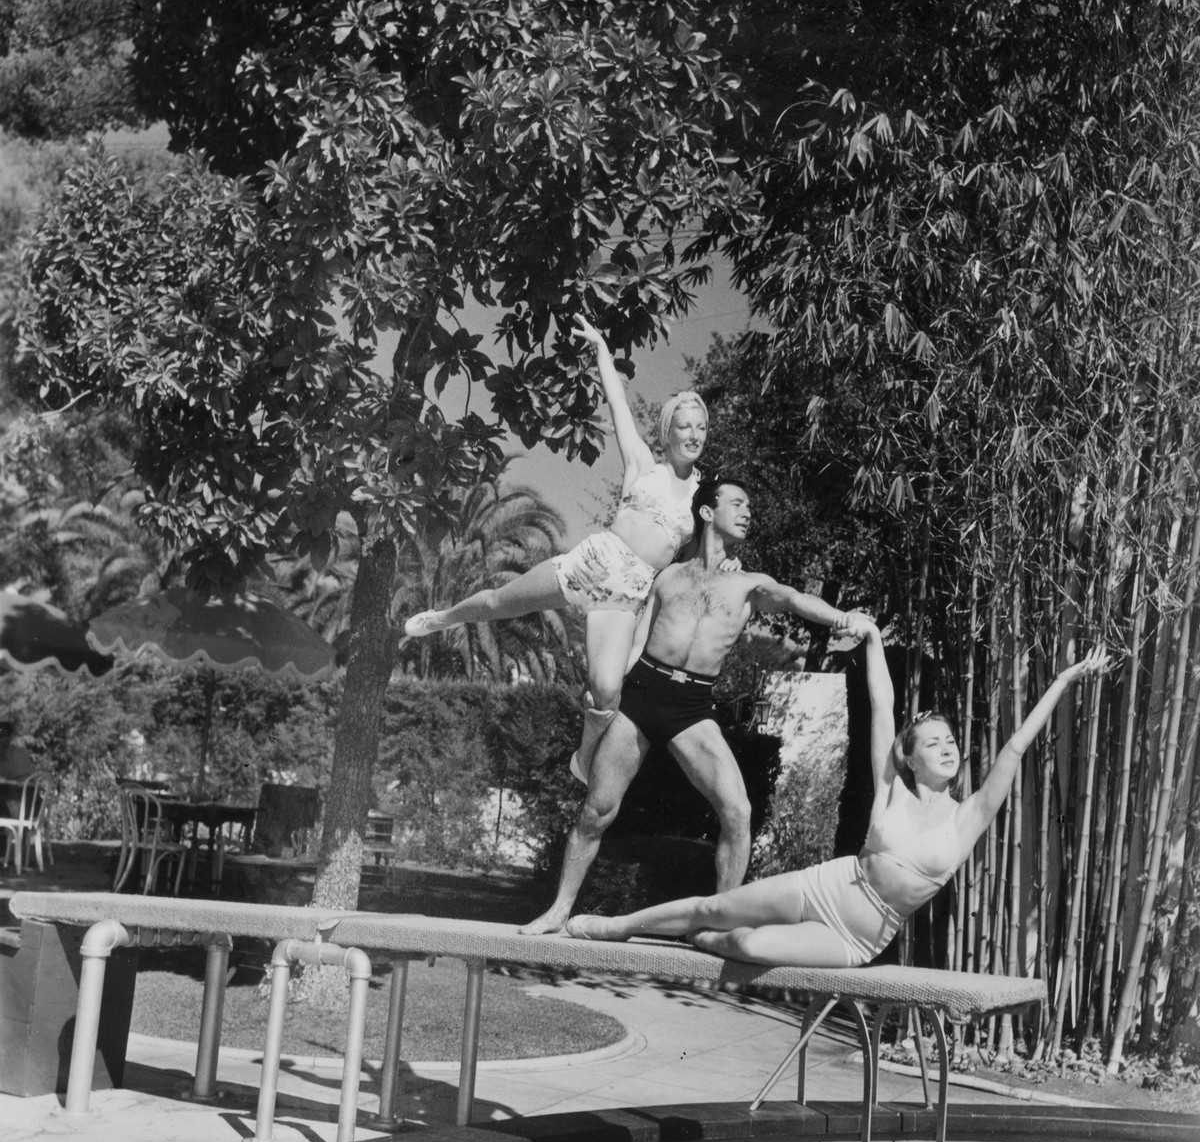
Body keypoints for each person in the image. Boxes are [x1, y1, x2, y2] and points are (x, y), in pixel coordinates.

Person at [565, 624, 1111, 962]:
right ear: (910, 755)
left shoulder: (968, 815)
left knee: (744, 944)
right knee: (714, 905)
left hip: (858, 937)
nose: (948, 749)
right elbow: (881, 706)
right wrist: (873, 640)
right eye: (934, 742)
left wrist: (1062, 681)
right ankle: (616, 927)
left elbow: (1014, 748)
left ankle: (705, 943)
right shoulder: (891, 788)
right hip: (825, 885)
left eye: (952, 743)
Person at [521, 476, 874, 934]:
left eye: (749, 505)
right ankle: (558, 911)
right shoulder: (667, 575)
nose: (747, 512)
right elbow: (637, 637)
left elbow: (796, 599)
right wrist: (608, 692)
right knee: (597, 811)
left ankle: (721, 924)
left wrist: (843, 618)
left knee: (738, 812)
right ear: (707, 512)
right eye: (737, 503)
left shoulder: (750, 585)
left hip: (693, 707)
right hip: (642, 694)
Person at [404, 316, 710, 782]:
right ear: (668, 432)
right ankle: (443, 618)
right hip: (591, 562)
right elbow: (617, 404)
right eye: (684, 426)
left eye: (700, 427)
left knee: (607, 692)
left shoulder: (702, 498)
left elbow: (689, 568)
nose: (692, 435)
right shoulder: (644, 465)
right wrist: (602, 350)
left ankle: (583, 757)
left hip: (625, 596)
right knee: (497, 603)